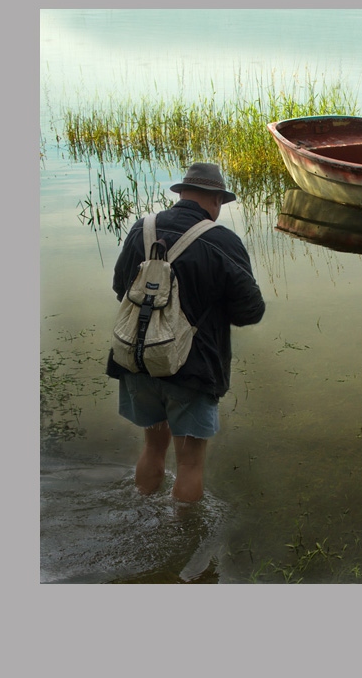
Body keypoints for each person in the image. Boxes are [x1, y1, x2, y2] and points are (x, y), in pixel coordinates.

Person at [106, 163, 266, 502]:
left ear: (181, 194)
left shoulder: (142, 228)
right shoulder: (221, 240)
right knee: (190, 464)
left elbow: (121, 288)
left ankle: (143, 515)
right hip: (190, 371)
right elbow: (251, 311)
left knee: (152, 448)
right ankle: (183, 541)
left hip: (140, 360)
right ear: (216, 200)